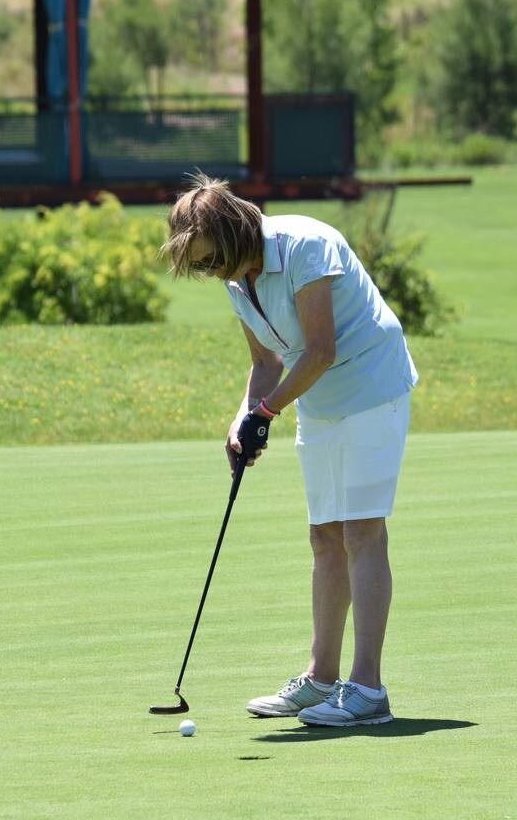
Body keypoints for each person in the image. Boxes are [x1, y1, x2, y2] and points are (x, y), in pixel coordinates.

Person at [160, 174, 418, 727]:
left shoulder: (304, 245)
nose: (210, 273)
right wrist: (242, 420)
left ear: (233, 235)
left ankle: (367, 689)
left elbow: (321, 349)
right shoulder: (238, 282)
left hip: (371, 387)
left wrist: (268, 412)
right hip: (319, 401)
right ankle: (321, 679)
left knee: (361, 531)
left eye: (210, 260)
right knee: (324, 536)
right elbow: (265, 363)